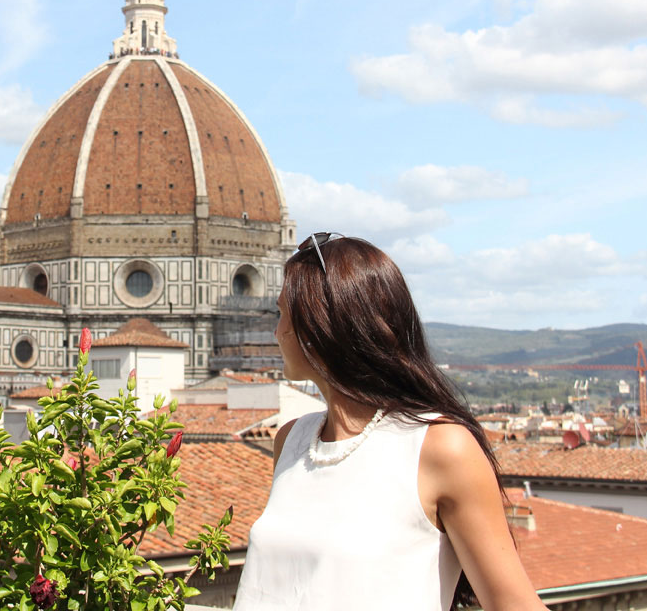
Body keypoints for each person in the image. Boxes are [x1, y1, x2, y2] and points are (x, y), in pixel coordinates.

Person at [231, 234, 547, 611]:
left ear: (319, 327)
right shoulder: (291, 441)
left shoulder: (440, 448)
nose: (275, 332)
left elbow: (512, 604)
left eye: (282, 313)